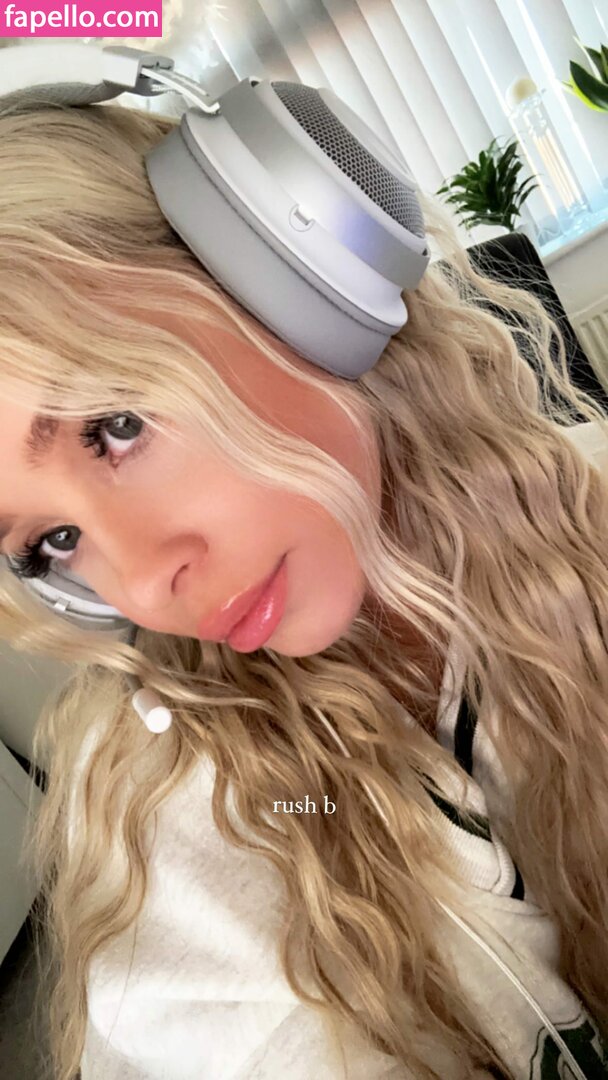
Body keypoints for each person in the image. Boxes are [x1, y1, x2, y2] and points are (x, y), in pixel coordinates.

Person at [0, 96, 607, 1080]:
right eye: (52, 542)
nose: (146, 582)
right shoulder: (171, 817)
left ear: (285, 280)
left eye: (115, 425)